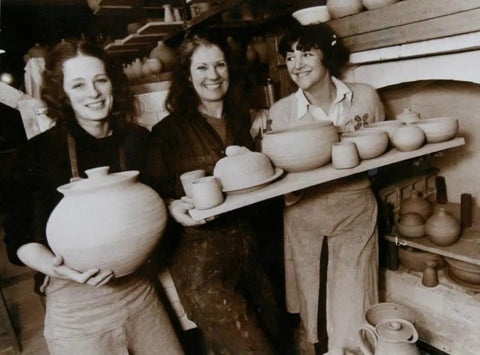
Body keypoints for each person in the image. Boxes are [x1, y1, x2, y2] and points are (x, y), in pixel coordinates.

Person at [2, 39, 184, 355]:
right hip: (75, 299)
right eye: (79, 84)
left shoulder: (138, 140)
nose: (94, 93)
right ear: (63, 94)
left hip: (138, 289)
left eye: (100, 80)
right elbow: (18, 239)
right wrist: (56, 269)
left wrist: (178, 207)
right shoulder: (38, 153)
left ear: (112, 82)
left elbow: (162, 199)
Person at [148, 31, 282, 354]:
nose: (213, 76)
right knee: (252, 347)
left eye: (220, 65)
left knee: (274, 334)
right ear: (186, 76)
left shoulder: (241, 120)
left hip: (247, 249)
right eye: (202, 68)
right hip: (200, 259)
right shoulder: (167, 132)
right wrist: (169, 204)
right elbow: (154, 195)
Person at [266, 22, 385, 354]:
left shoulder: (364, 97)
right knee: (315, 306)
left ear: (327, 55)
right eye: (290, 57)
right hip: (306, 214)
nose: (297, 64)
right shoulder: (280, 113)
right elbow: (277, 176)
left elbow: (381, 153)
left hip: (356, 209)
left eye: (306, 53)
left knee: (354, 302)